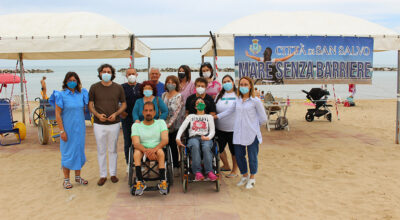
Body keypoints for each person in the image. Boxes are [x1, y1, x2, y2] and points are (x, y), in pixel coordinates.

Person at [215, 76, 267, 189]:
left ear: (250, 86)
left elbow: (263, 118)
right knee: (239, 156)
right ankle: (244, 176)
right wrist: (216, 116)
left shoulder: (256, 101)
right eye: (241, 85)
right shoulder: (237, 99)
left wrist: (254, 126)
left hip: (251, 134)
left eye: (245, 85)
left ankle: (252, 178)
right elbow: (229, 111)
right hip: (238, 133)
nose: (243, 87)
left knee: (252, 156)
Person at [89, 64, 127, 186]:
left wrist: (116, 114)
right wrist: (98, 115)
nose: (106, 73)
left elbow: (124, 104)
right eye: (104, 71)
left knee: (113, 149)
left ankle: (113, 174)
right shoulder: (94, 87)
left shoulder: (118, 87)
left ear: (112, 74)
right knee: (101, 150)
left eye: (108, 71)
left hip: (114, 123)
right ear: (100, 73)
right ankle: (103, 175)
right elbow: (90, 105)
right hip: (99, 124)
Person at [51, 72, 89, 189]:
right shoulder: (61, 95)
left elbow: (84, 109)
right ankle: (66, 180)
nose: (72, 82)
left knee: (78, 151)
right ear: (66, 82)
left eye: (74, 80)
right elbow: (57, 114)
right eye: (69, 80)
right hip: (67, 129)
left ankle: (78, 177)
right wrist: (61, 131)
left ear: (77, 81)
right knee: (67, 153)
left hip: (80, 130)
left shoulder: (81, 94)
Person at [131, 102, 169, 196]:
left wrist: (154, 149)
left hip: (157, 148)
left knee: (161, 153)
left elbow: (165, 140)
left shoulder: (161, 123)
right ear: (142, 112)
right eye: (146, 110)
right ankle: (140, 181)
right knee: (136, 153)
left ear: (155, 112)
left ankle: (162, 181)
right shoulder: (136, 126)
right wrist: (146, 151)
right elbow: (136, 143)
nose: (148, 112)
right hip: (142, 148)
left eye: (151, 110)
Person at [176, 97, 217, 181]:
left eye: (202, 102)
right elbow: (182, 127)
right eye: (197, 103)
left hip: (205, 137)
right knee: (195, 145)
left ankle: (209, 172)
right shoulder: (191, 116)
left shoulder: (209, 117)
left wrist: (208, 137)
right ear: (195, 107)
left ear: (205, 105)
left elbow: (212, 131)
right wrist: (177, 138)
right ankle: (197, 172)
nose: (200, 104)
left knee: (206, 147)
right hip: (193, 137)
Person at [215, 75, 239, 178]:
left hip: (234, 129)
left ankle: (234, 170)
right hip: (220, 128)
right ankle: (226, 165)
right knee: (218, 149)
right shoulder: (219, 95)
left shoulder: (238, 95)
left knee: (234, 151)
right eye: (224, 82)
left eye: (228, 81)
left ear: (233, 82)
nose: (226, 83)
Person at [162, 75, 185, 174]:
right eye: (168, 82)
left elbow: (176, 112)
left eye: (173, 83)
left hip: (174, 125)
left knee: (172, 145)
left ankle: (175, 165)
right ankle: (165, 164)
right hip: (163, 123)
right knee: (163, 145)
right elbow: (161, 109)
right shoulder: (163, 95)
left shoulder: (179, 96)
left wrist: (169, 124)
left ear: (176, 84)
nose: (170, 84)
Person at [120, 68, 141, 172]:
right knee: (128, 142)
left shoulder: (141, 87)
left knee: (141, 142)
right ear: (126, 75)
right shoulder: (122, 87)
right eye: (129, 74)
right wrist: (121, 112)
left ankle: (140, 164)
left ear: (136, 75)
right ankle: (129, 164)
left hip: (140, 119)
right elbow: (116, 100)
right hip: (127, 119)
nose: (131, 75)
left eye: (133, 74)